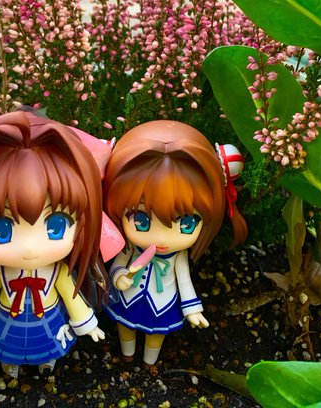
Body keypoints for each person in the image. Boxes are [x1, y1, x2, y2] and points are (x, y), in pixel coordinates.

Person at [0, 111, 107, 377]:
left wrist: (87, 324)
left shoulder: (59, 272)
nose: (30, 247)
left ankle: (46, 362)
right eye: (1, 229)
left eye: (56, 226)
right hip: (8, 322)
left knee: (49, 346)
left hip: (49, 322)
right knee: (7, 347)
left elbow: (73, 298)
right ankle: (10, 364)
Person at [103, 120, 248, 365]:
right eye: (141, 220)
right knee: (124, 326)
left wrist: (192, 309)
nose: (162, 238)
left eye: (186, 224)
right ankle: (127, 353)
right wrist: (119, 277)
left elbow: (185, 282)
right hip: (129, 297)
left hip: (162, 302)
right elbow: (118, 265)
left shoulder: (177, 256)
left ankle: (150, 361)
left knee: (156, 334)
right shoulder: (131, 248)